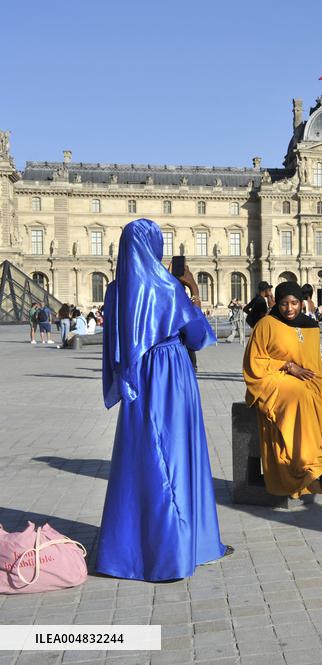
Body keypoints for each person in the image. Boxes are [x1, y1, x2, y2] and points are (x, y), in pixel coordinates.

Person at [96, 218, 231, 581]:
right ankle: (181, 548)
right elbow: (199, 336)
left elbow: (113, 345)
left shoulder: (114, 291)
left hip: (137, 379)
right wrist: (192, 292)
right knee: (177, 454)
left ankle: (124, 552)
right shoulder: (167, 286)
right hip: (170, 375)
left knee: (139, 457)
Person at [243, 281, 322, 498]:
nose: (289, 309)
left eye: (294, 303)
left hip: (301, 375)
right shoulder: (266, 324)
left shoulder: (310, 326)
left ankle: (315, 464)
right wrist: (286, 365)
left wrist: (316, 381)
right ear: (277, 302)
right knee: (300, 396)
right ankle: (315, 465)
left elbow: (313, 365)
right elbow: (253, 361)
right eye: (285, 303)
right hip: (270, 377)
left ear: (301, 303)